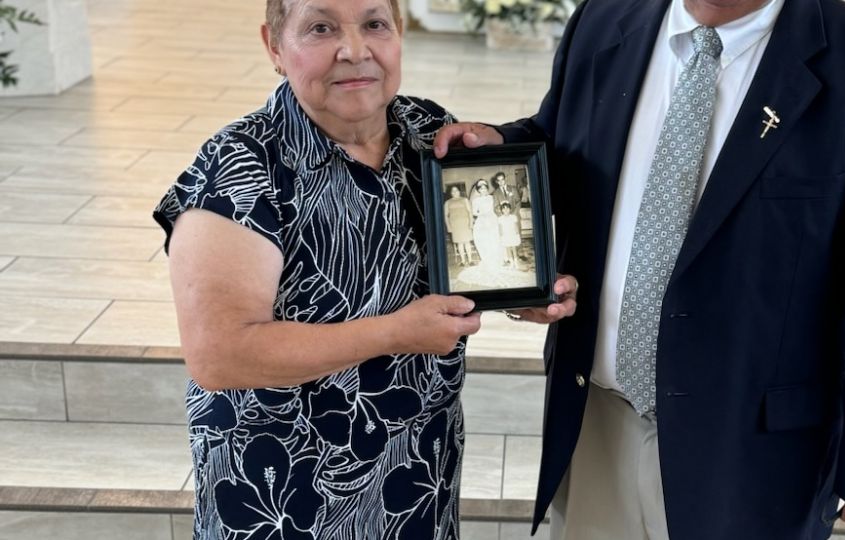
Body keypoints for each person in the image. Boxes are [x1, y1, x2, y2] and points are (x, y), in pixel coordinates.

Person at [434, 0, 845, 537]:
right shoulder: (603, 19)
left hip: (752, 452)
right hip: (597, 422)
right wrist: (505, 148)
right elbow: (568, 138)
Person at [147, 0, 560, 537]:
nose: (355, 50)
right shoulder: (241, 165)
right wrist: (396, 333)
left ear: (398, 34)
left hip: (415, 481)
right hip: (286, 494)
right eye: (321, 28)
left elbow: (458, 263)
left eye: (374, 24)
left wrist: (509, 288)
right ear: (274, 46)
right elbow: (219, 353)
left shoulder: (426, 131)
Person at [469, 178, 503, 268]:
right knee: (483, 239)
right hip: (482, 220)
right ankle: (487, 259)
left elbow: (496, 208)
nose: (483, 190)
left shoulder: (491, 198)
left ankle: (496, 259)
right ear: (478, 190)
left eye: (484, 188)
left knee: (494, 238)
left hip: (492, 219)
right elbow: (474, 212)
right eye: (481, 189)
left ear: (487, 189)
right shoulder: (476, 200)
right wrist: (481, 213)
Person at [445, 185, 475, 266]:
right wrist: (449, 227)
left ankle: (470, 260)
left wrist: (471, 223)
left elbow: (470, 212)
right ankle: (463, 261)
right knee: (459, 243)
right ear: (451, 193)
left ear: (459, 191)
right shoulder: (447, 202)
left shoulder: (465, 200)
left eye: (456, 190)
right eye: (453, 191)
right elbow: (445, 216)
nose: (455, 192)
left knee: (467, 242)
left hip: (465, 224)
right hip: (455, 226)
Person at [497, 202, 522, 269]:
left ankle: (516, 262)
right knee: (508, 248)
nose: (506, 210)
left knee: (513, 248)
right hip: (505, 235)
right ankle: (511, 262)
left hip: (512, 234)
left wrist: (517, 234)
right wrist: (501, 236)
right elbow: (500, 228)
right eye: (504, 209)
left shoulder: (513, 217)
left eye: (507, 208)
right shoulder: (500, 218)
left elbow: (515, 226)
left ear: (510, 209)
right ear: (501, 210)